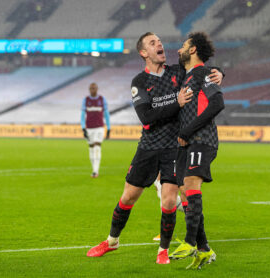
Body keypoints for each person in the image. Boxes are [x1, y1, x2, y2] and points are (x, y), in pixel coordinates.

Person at [86, 32, 223, 265]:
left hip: (174, 147)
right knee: (128, 197)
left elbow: (199, 70)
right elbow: (147, 117)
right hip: (148, 146)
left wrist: (220, 72)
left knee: (169, 200)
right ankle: (112, 241)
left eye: (159, 41)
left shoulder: (177, 73)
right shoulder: (140, 82)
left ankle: (163, 251)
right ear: (143, 53)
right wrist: (175, 102)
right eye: (153, 43)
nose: (159, 44)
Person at [168, 32, 225, 270]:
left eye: (183, 46)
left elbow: (217, 103)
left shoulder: (203, 74)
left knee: (191, 184)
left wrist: (186, 131)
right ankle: (204, 249)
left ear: (192, 50)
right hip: (187, 142)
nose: (179, 49)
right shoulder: (187, 76)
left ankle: (190, 242)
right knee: (183, 192)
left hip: (201, 139)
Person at [81, 83, 111, 178]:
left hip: (99, 127)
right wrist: (83, 128)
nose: (92, 90)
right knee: (91, 148)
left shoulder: (102, 100)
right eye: (90, 88)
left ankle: (95, 171)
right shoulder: (86, 100)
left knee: (97, 146)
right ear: (89, 89)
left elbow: (106, 114)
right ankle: (94, 168)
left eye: (94, 88)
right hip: (89, 128)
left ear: (97, 89)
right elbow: (82, 115)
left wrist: (109, 128)